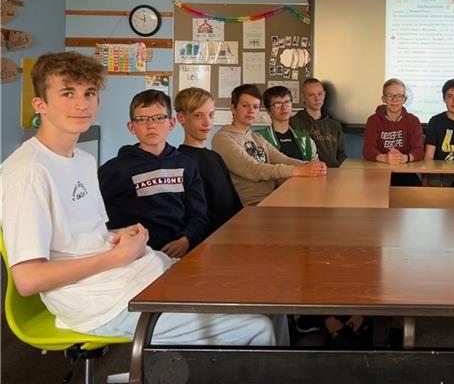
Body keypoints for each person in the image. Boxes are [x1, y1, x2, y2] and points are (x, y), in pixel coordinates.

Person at [0, 52, 278, 346]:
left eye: (89, 93)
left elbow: (84, 233)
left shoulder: (81, 160)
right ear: (40, 104)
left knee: (267, 297)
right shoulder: (28, 172)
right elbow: (28, 279)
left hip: (136, 271)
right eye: (67, 93)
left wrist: (122, 235)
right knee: (257, 327)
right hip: (97, 302)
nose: (81, 104)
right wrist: (117, 256)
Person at [98, 89, 209, 259]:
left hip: (180, 252)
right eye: (141, 119)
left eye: (159, 118)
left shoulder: (186, 165)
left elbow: (198, 214)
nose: (151, 125)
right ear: (131, 127)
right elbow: (96, 218)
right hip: (137, 258)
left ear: (171, 123)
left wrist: (186, 239)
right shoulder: (113, 170)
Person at [212, 84, 326, 206]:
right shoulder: (223, 138)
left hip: (274, 197)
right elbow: (254, 169)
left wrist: (312, 166)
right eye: (245, 106)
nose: (251, 110)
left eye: (255, 107)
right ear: (233, 108)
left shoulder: (256, 137)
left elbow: (282, 158)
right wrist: (298, 170)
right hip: (254, 205)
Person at [174, 87, 243, 235]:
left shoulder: (215, 157)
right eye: (199, 116)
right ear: (182, 118)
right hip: (206, 239)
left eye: (211, 115)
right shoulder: (179, 162)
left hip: (231, 233)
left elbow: (233, 202)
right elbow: (192, 213)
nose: (207, 123)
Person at [363, 78, 423, 165]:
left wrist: (405, 158)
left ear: (404, 99)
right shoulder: (373, 120)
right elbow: (368, 149)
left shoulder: (413, 121)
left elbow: (419, 150)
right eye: (390, 96)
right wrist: (385, 158)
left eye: (399, 96)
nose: (395, 100)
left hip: (405, 170)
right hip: (380, 168)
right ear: (383, 99)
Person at [289, 78, 347, 168]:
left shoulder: (335, 125)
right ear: (303, 97)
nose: (317, 98)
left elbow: (342, 155)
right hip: (305, 174)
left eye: (320, 94)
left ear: (324, 95)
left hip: (332, 174)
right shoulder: (293, 123)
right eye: (311, 95)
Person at [254, 85, 317, 161]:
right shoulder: (259, 137)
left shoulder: (304, 138)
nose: (284, 107)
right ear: (269, 111)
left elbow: (314, 165)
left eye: (287, 102)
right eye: (278, 104)